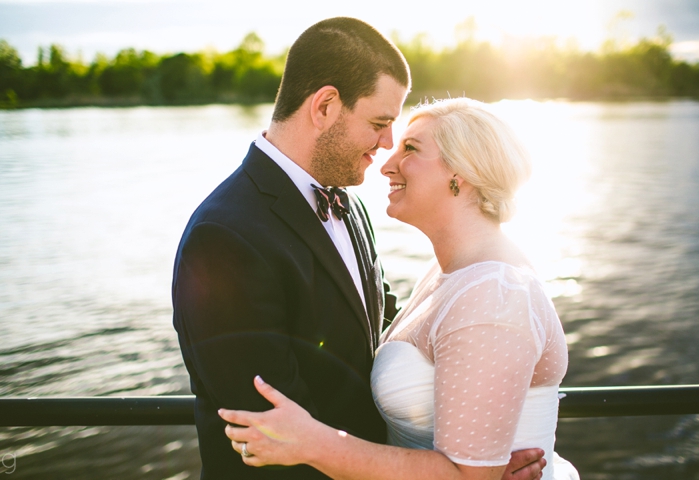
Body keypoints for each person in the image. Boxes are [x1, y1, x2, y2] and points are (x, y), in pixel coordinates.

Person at [173, 16, 546, 480]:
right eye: (379, 123)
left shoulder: (348, 205)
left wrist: (473, 456)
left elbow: (382, 334)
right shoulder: (225, 237)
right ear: (326, 106)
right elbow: (273, 433)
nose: (386, 145)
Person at [219, 98, 580, 480]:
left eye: (410, 148)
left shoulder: (493, 295)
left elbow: (470, 478)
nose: (386, 165)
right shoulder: (448, 273)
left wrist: (313, 443)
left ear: (462, 173)